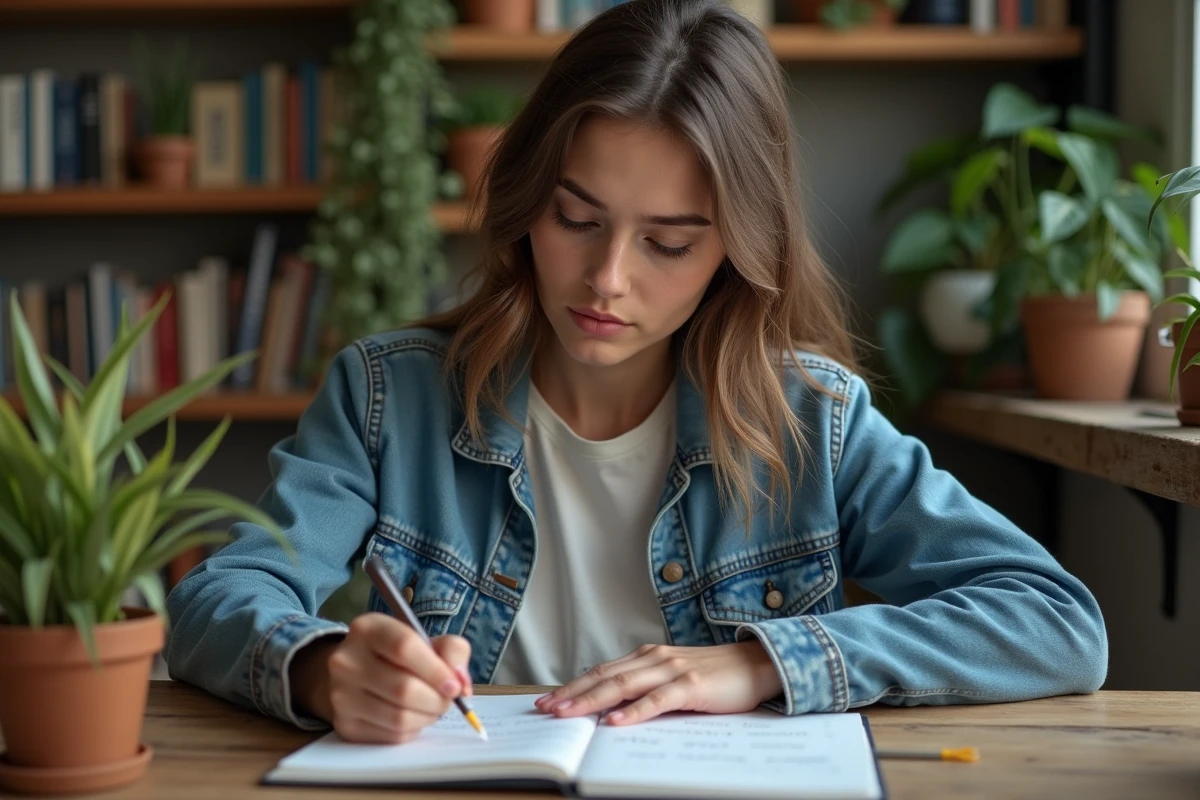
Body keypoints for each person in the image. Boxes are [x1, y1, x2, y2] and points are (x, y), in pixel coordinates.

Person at [164, 0, 1107, 744]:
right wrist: (324, 669)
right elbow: (218, 598)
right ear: (528, 202)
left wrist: (765, 665)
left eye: (668, 242)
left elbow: (1056, 623)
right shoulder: (386, 397)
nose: (608, 279)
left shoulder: (809, 419)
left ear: (736, 250)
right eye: (576, 220)